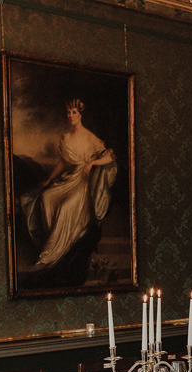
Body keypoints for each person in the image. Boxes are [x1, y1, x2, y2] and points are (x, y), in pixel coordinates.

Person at [20, 99, 117, 270]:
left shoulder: (90, 137)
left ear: (81, 115)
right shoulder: (65, 137)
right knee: (46, 198)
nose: (70, 115)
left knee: (65, 207)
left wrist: (91, 164)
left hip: (83, 184)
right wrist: (49, 180)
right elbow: (63, 163)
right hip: (68, 180)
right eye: (68, 112)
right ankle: (56, 244)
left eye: (74, 112)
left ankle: (53, 253)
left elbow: (110, 157)